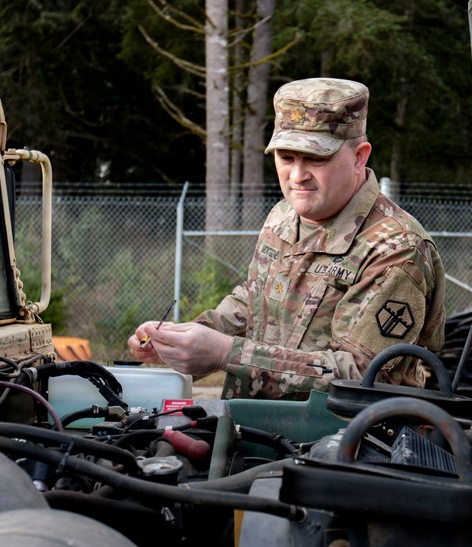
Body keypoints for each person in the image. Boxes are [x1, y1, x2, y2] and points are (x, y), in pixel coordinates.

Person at [128, 78, 445, 400]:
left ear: (359, 157)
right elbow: (254, 300)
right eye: (286, 158)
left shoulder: (396, 249)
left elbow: (363, 375)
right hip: (260, 429)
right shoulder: (284, 217)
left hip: (349, 441)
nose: (297, 176)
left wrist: (226, 353)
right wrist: (187, 339)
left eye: (316, 159)